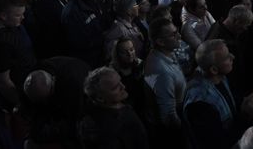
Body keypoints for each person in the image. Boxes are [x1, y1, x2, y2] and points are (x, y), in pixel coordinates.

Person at [183, 39, 239, 149]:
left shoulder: (221, 77)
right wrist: (245, 115)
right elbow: (216, 143)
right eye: (227, 57)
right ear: (213, 69)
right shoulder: (199, 104)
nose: (233, 57)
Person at [79, 67, 149, 149]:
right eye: (115, 87)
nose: (123, 87)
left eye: (120, 81)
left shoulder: (116, 102)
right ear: (100, 98)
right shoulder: (103, 132)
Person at [143, 17, 186, 146]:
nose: (179, 35)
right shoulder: (161, 72)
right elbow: (168, 116)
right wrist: (187, 132)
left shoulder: (167, 53)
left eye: (177, 31)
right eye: (173, 34)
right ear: (160, 41)